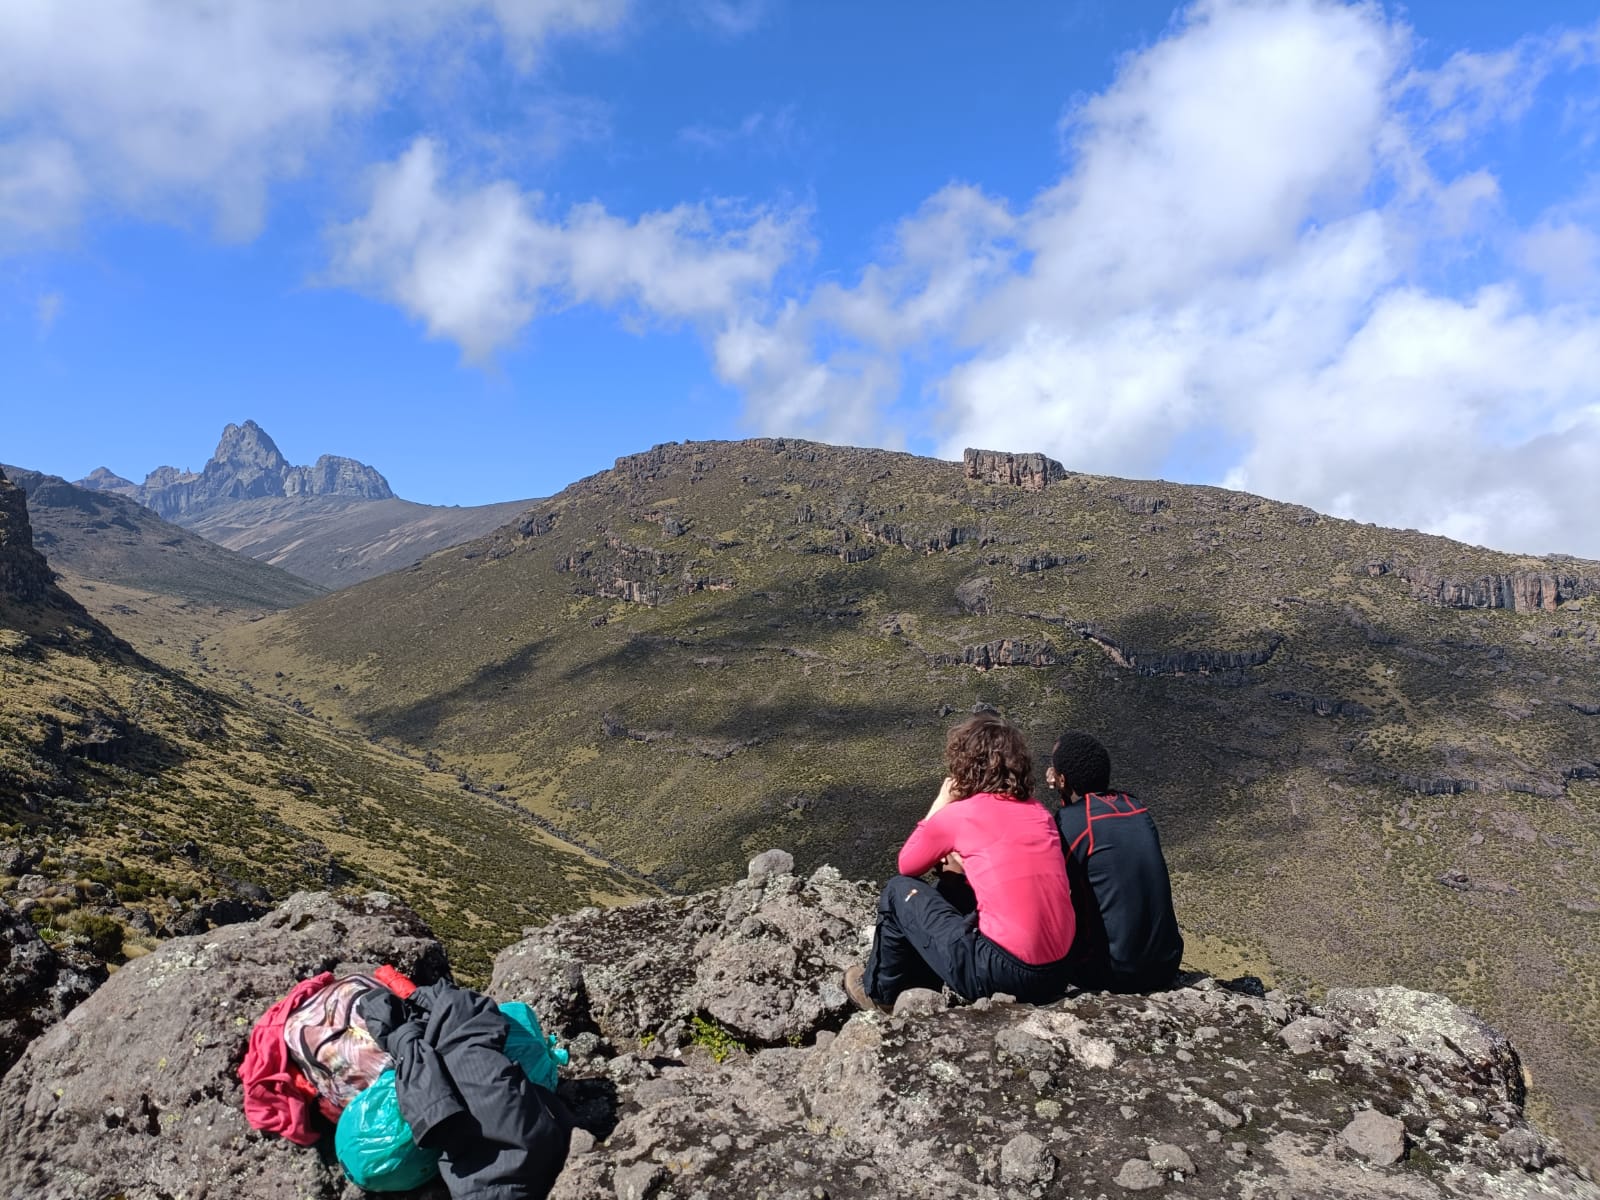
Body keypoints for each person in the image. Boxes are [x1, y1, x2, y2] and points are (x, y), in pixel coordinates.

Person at [844, 713, 1076, 1011]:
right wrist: (963, 870)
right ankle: (919, 991)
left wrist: (943, 799)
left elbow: (908, 865)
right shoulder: (1039, 813)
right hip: (1057, 973)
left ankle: (879, 995)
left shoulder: (960, 814)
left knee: (898, 891)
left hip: (1001, 972)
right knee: (955, 885)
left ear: (965, 764)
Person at [1049, 730, 1183, 993]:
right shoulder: (1136, 807)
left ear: (1062, 779)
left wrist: (1062, 797)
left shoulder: (1073, 823)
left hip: (1114, 973)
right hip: (1167, 964)